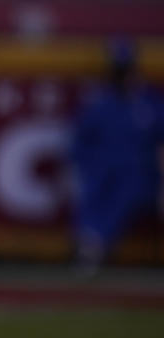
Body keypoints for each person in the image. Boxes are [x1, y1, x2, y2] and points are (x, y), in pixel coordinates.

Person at [70, 38, 164, 271]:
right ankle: (89, 249)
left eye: (125, 70)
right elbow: (79, 143)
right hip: (103, 171)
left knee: (126, 195)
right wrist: (80, 168)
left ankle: (94, 246)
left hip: (143, 175)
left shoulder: (149, 102)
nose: (122, 76)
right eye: (117, 71)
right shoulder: (100, 102)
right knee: (92, 196)